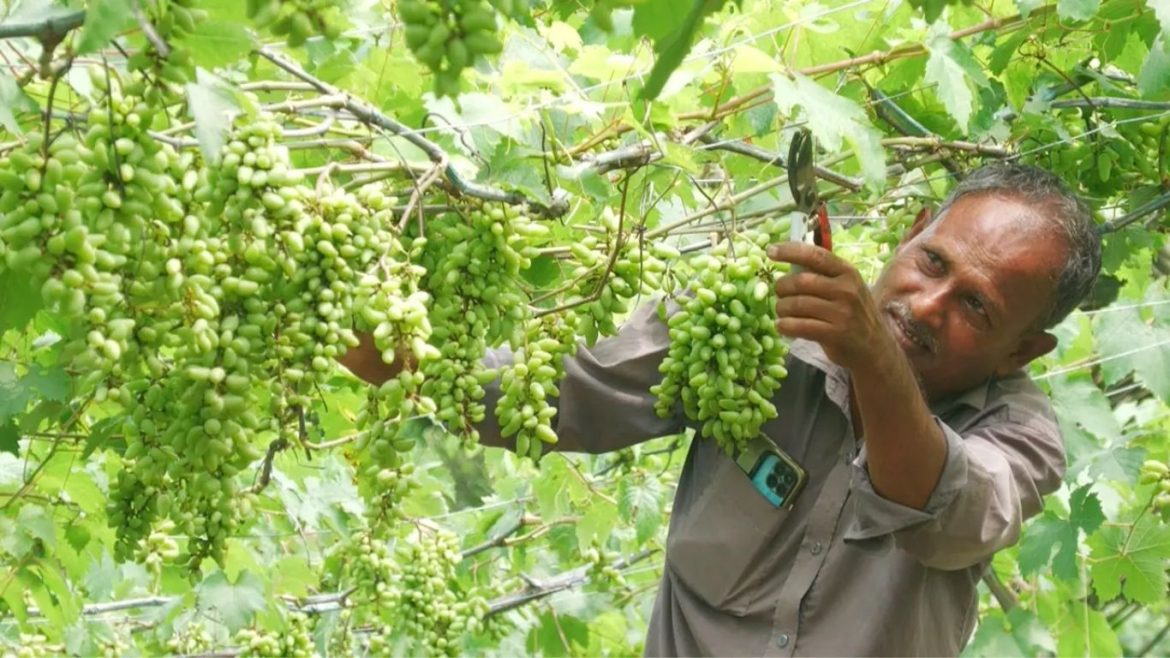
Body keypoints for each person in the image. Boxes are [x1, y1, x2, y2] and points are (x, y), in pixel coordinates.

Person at [340, 163, 1102, 656]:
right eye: (931, 262)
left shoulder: (1019, 437)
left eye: (975, 305)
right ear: (909, 235)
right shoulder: (753, 322)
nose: (928, 305)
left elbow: (940, 508)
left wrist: (872, 356)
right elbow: (558, 392)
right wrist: (386, 346)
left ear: (1021, 352)